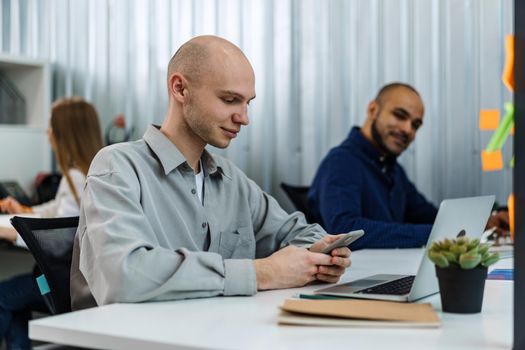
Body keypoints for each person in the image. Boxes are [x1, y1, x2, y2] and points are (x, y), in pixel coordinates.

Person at [70, 35, 351, 310]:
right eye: (230, 100)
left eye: (247, 103)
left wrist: (322, 259)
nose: (244, 117)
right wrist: (262, 272)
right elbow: (125, 276)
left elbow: (299, 234)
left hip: (213, 333)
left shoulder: (231, 180)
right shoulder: (118, 167)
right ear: (180, 89)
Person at [308, 83, 509, 249]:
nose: (407, 129)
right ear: (372, 110)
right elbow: (344, 230)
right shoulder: (341, 162)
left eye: (415, 124)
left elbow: (430, 216)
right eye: (400, 115)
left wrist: (482, 222)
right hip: (349, 282)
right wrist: (441, 233)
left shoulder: (391, 169)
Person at [0, 97, 103, 349]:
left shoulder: (78, 178)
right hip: (78, 278)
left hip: (64, 283)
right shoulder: (87, 171)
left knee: (3, 295)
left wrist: (6, 230)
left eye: (50, 125)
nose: (47, 132)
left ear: (66, 133)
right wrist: (24, 209)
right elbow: (58, 212)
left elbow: (56, 240)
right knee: (12, 301)